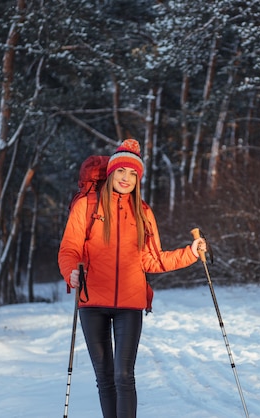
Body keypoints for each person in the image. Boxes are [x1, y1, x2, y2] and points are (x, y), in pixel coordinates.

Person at [58, 139, 205, 418]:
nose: (127, 179)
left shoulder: (144, 213)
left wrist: (191, 253)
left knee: (124, 376)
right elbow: (69, 249)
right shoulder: (87, 207)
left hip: (130, 304)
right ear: (112, 172)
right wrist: (71, 272)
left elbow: (153, 259)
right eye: (122, 172)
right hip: (92, 302)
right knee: (105, 377)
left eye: (133, 174)